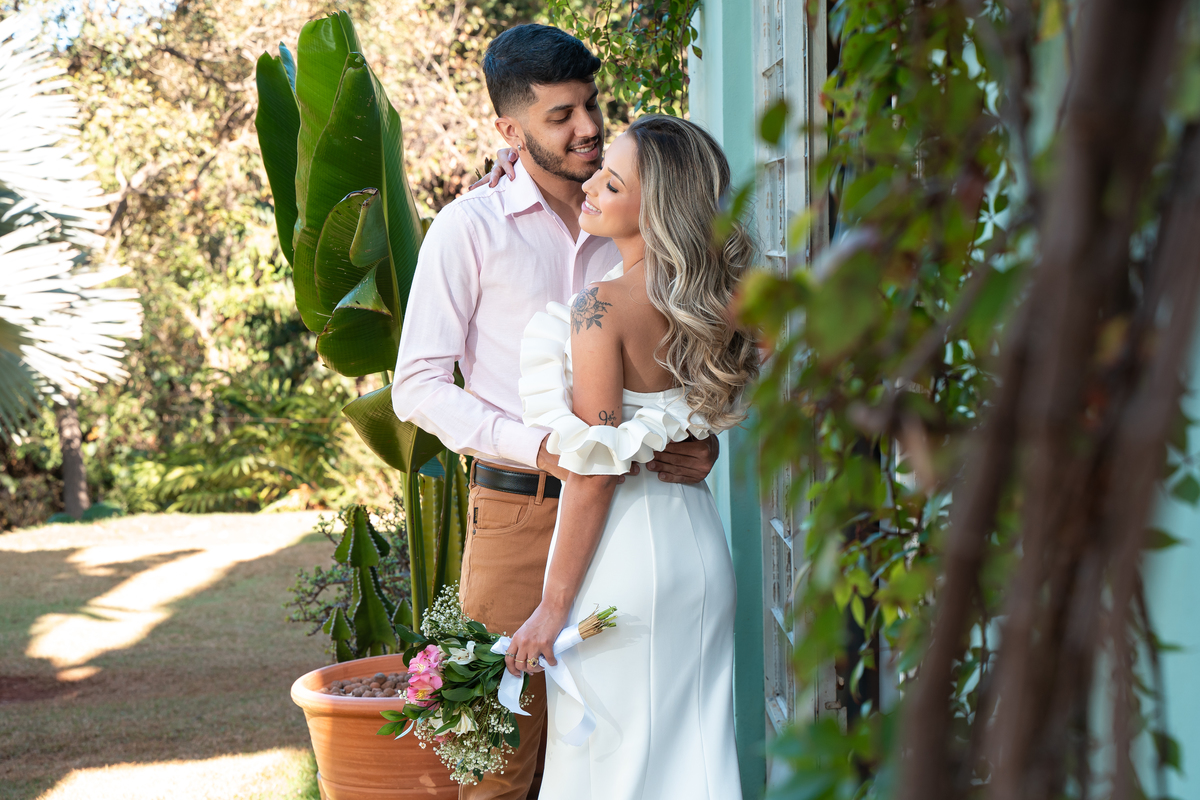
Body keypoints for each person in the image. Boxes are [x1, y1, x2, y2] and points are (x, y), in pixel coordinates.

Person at [390, 24, 719, 800]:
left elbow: (687, 350)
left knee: (614, 749)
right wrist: (539, 447)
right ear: (510, 129)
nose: (587, 129)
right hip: (518, 516)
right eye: (560, 115)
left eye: (590, 106)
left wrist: (699, 440)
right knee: (499, 760)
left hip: (637, 521)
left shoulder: (641, 216)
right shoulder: (467, 229)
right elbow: (419, 384)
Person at [505, 115, 758, 799]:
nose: (590, 185)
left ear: (656, 210)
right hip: (699, 557)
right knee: (693, 761)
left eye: (611, 182)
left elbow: (594, 472)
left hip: (624, 564)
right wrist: (703, 443)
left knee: (611, 771)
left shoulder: (600, 309)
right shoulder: (723, 301)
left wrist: (551, 609)